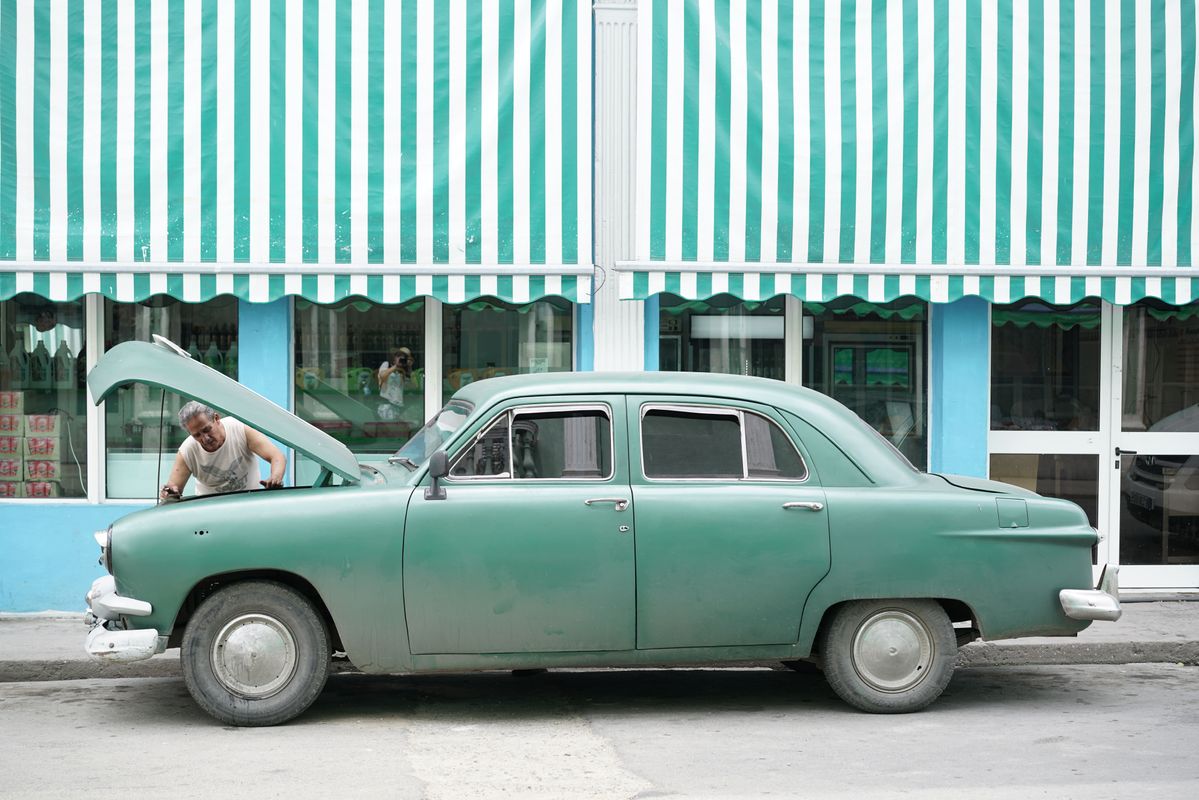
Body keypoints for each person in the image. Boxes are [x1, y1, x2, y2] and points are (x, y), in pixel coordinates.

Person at [160, 401, 287, 499]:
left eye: (207, 429)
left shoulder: (240, 429)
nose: (205, 438)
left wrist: (275, 478)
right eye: (197, 435)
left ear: (216, 418)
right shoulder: (187, 450)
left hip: (248, 505)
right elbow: (173, 489)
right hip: (211, 513)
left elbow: (277, 456)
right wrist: (169, 493)